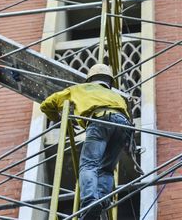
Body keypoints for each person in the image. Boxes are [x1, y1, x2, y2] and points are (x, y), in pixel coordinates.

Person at [40, 64, 132, 220]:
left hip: (100, 121)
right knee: (107, 169)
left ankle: (90, 201)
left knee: (89, 165)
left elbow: (47, 104)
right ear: (109, 82)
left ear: (90, 78)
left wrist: (59, 119)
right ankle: (102, 201)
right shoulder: (117, 96)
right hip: (123, 126)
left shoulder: (79, 89)